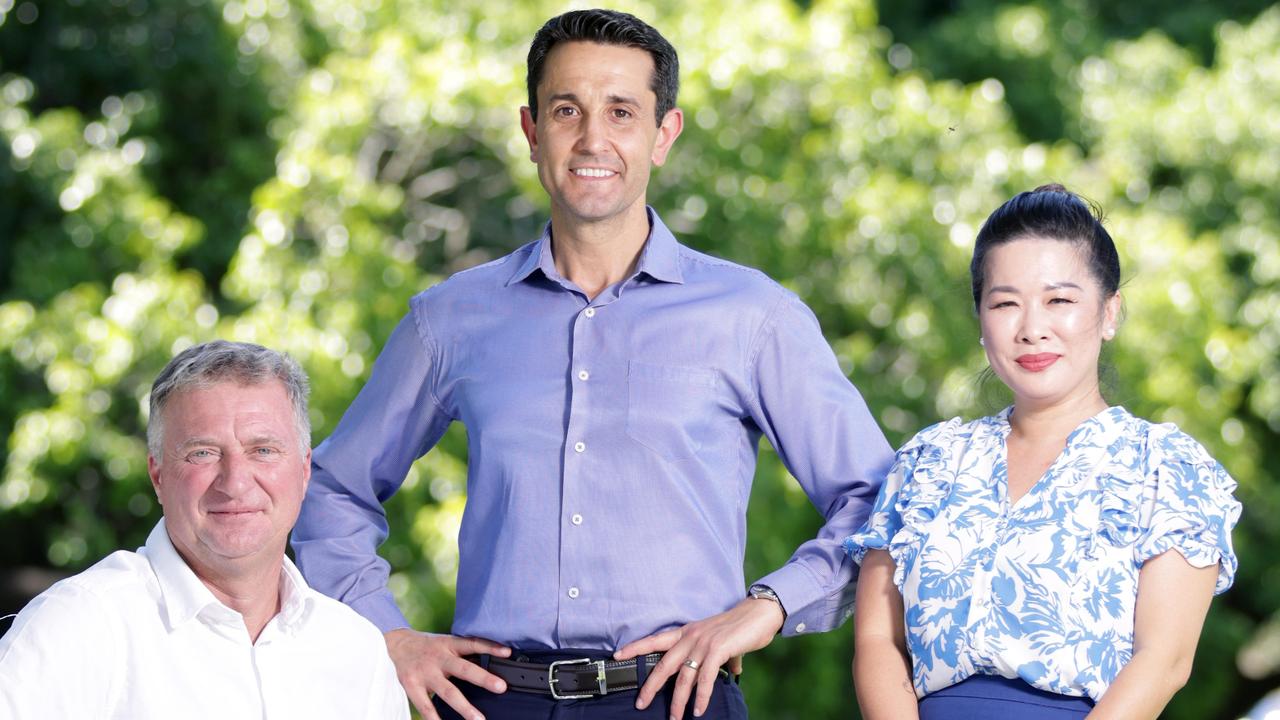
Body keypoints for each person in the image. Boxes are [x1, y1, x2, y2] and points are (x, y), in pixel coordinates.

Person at [291, 8, 893, 720]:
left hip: (677, 701)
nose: (593, 139)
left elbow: (878, 503)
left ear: (663, 135)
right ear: (531, 130)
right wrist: (386, 637)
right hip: (491, 702)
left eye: (622, 112)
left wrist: (768, 605)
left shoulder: (753, 317)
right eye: (567, 110)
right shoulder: (451, 319)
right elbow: (329, 490)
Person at [845, 184, 1241, 719]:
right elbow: (876, 640)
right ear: (981, 320)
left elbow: (1165, 660)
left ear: (1109, 313)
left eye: (1059, 300)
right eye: (1005, 303)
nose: (1032, 329)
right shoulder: (929, 461)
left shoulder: (1165, 468)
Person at [0, 341, 408, 719]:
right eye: (203, 453)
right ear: (158, 476)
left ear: (303, 472)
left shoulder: (359, 653)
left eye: (263, 450)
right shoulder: (79, 627)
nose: (235, 482)